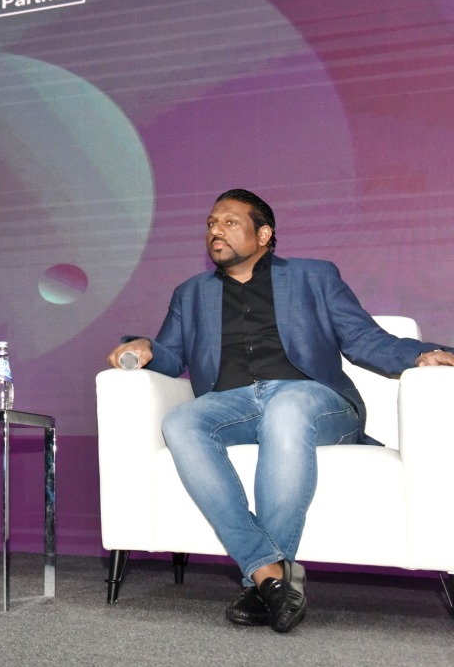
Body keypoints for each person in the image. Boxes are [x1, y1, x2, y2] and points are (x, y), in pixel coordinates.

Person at [106, 189, 454, 633]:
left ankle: (263, 578)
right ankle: (270, 575)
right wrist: (142, 347)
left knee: (286, 405)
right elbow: (172, 356)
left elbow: (365, 340)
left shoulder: (315, 277)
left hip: (315, 400)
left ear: (264, 233)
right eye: (212, 222)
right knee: (181, 420)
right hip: (234, 402)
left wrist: (425, 353)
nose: (216, 230)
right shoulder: (190, 293)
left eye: (230, 222)